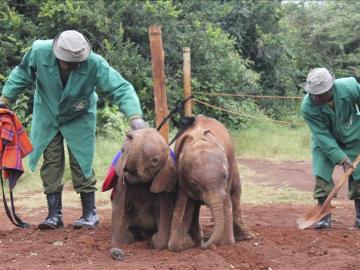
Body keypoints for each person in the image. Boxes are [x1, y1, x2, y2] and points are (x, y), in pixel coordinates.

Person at [0, 30, 146, 230]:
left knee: (81, 161)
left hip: (80, 114)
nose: (73, 65)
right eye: (68, 61)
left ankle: (89, 213)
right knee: (51, 161)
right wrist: (5, 99)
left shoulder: (95, 63)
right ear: (57, 53)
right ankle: (54, 215)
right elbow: (21, 73)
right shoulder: (39, 51)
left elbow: (119, 88)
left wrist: (134, 116)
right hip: (48, 113)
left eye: (77, 61)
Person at [301, 67, 360, 229]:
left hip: (353, 134)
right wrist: (342, 159)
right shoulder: (308, 107)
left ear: (331, 88)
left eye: (321, 93)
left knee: (359, 174)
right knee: (322, 175)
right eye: (314, 93)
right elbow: (322, 137)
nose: (316, 96)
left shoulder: (350, 87)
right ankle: (324, 215)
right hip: (324, 142)